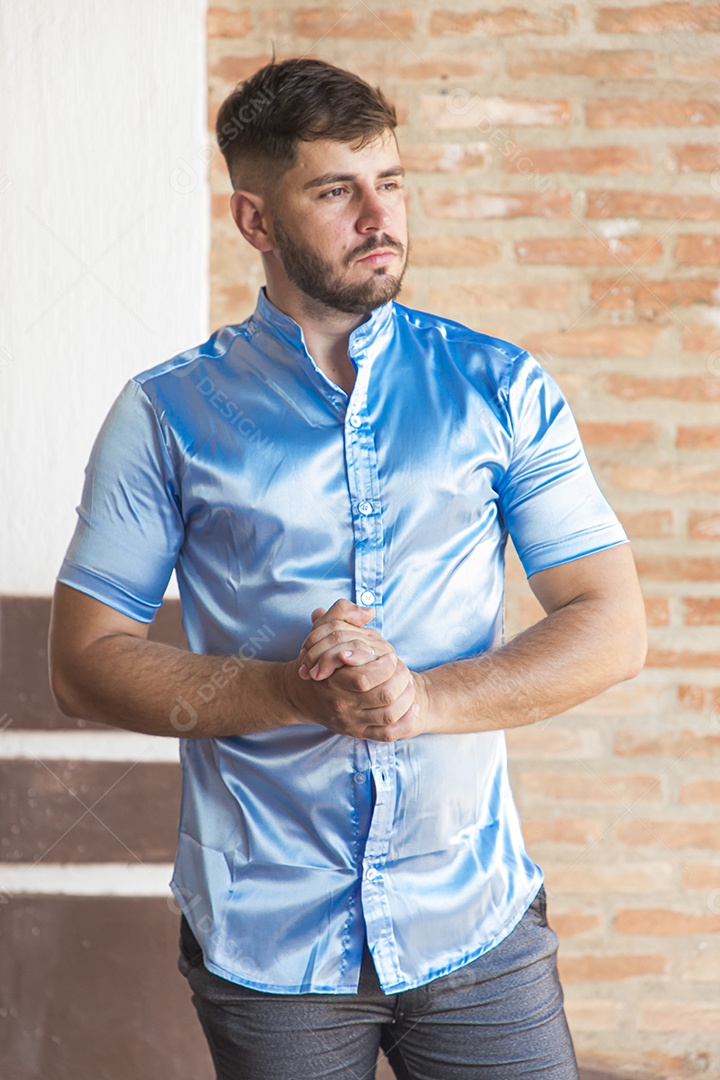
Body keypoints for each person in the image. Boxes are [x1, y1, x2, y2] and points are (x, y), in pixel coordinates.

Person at [49, 57, 647, 1080]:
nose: (380, 216)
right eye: (336, 191)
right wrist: (289, 691)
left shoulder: (500, 388)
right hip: (266, 938)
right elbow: (84, 660)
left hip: (475, 925)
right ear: (255, 219)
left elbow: (612, 624)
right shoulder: (165, 415)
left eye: (393, 182)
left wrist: (414, 701)